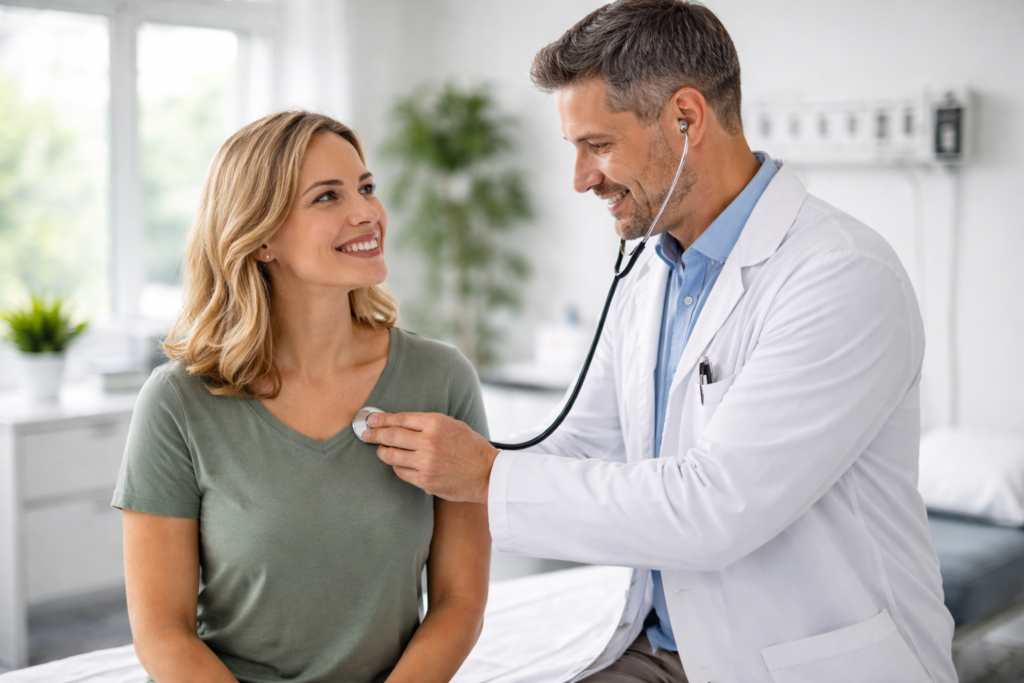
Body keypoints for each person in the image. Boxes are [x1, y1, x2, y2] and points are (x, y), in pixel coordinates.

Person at [362, 2, 958, 682]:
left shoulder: (843, 276)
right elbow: (587, 444)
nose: (581, 178)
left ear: (686, 117)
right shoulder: (653, 269)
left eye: (598, 145)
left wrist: (487, 475)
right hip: (667, 646)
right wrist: (432, 466)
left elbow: (716, 507)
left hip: (805, 659)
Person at [112, 111, 490, 683]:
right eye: (326, 197)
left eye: (365, 188)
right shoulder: (177, 402)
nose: (366, 213)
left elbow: (459, 601)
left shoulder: (441, 379)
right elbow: (161, 632)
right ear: (261, 237)